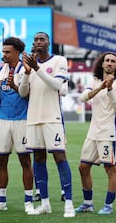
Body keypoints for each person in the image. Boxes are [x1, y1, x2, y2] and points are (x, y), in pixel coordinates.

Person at [18, 32, 75, 218]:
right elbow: (22, 92)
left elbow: (59, 86)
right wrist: (27, 72)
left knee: (60, 157)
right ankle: (45, 204)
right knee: (38, 160)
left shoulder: (59, 60)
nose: (38, 42)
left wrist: (37, 69)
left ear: (48, 42)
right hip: (33, 119)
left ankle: (69, 203)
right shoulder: (27, 65)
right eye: (35, 40)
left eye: (41, 39)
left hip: (52, 118)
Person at [0, 37, 34, 213]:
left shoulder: (26, 71)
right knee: (1, 160)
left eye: (7, 52)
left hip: (22, 120)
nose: (4, 54)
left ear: (17, 52)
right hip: (3, 120)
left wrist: (13, 85)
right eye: (3, 51)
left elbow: (30, 97)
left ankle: (28, 201)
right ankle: (1, 202)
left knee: (25, 161)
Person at [76, 52, 116, 215]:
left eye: (113, 61)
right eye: (107, 61)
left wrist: (110, 89)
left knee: (110, 169)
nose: (110, 63)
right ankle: (88, 203)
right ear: (102, 64)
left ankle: (108, 206)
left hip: (108, 133)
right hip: (93, 132)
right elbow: (83, 98)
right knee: (83, 167)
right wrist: (101, 87)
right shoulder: (94, 82)